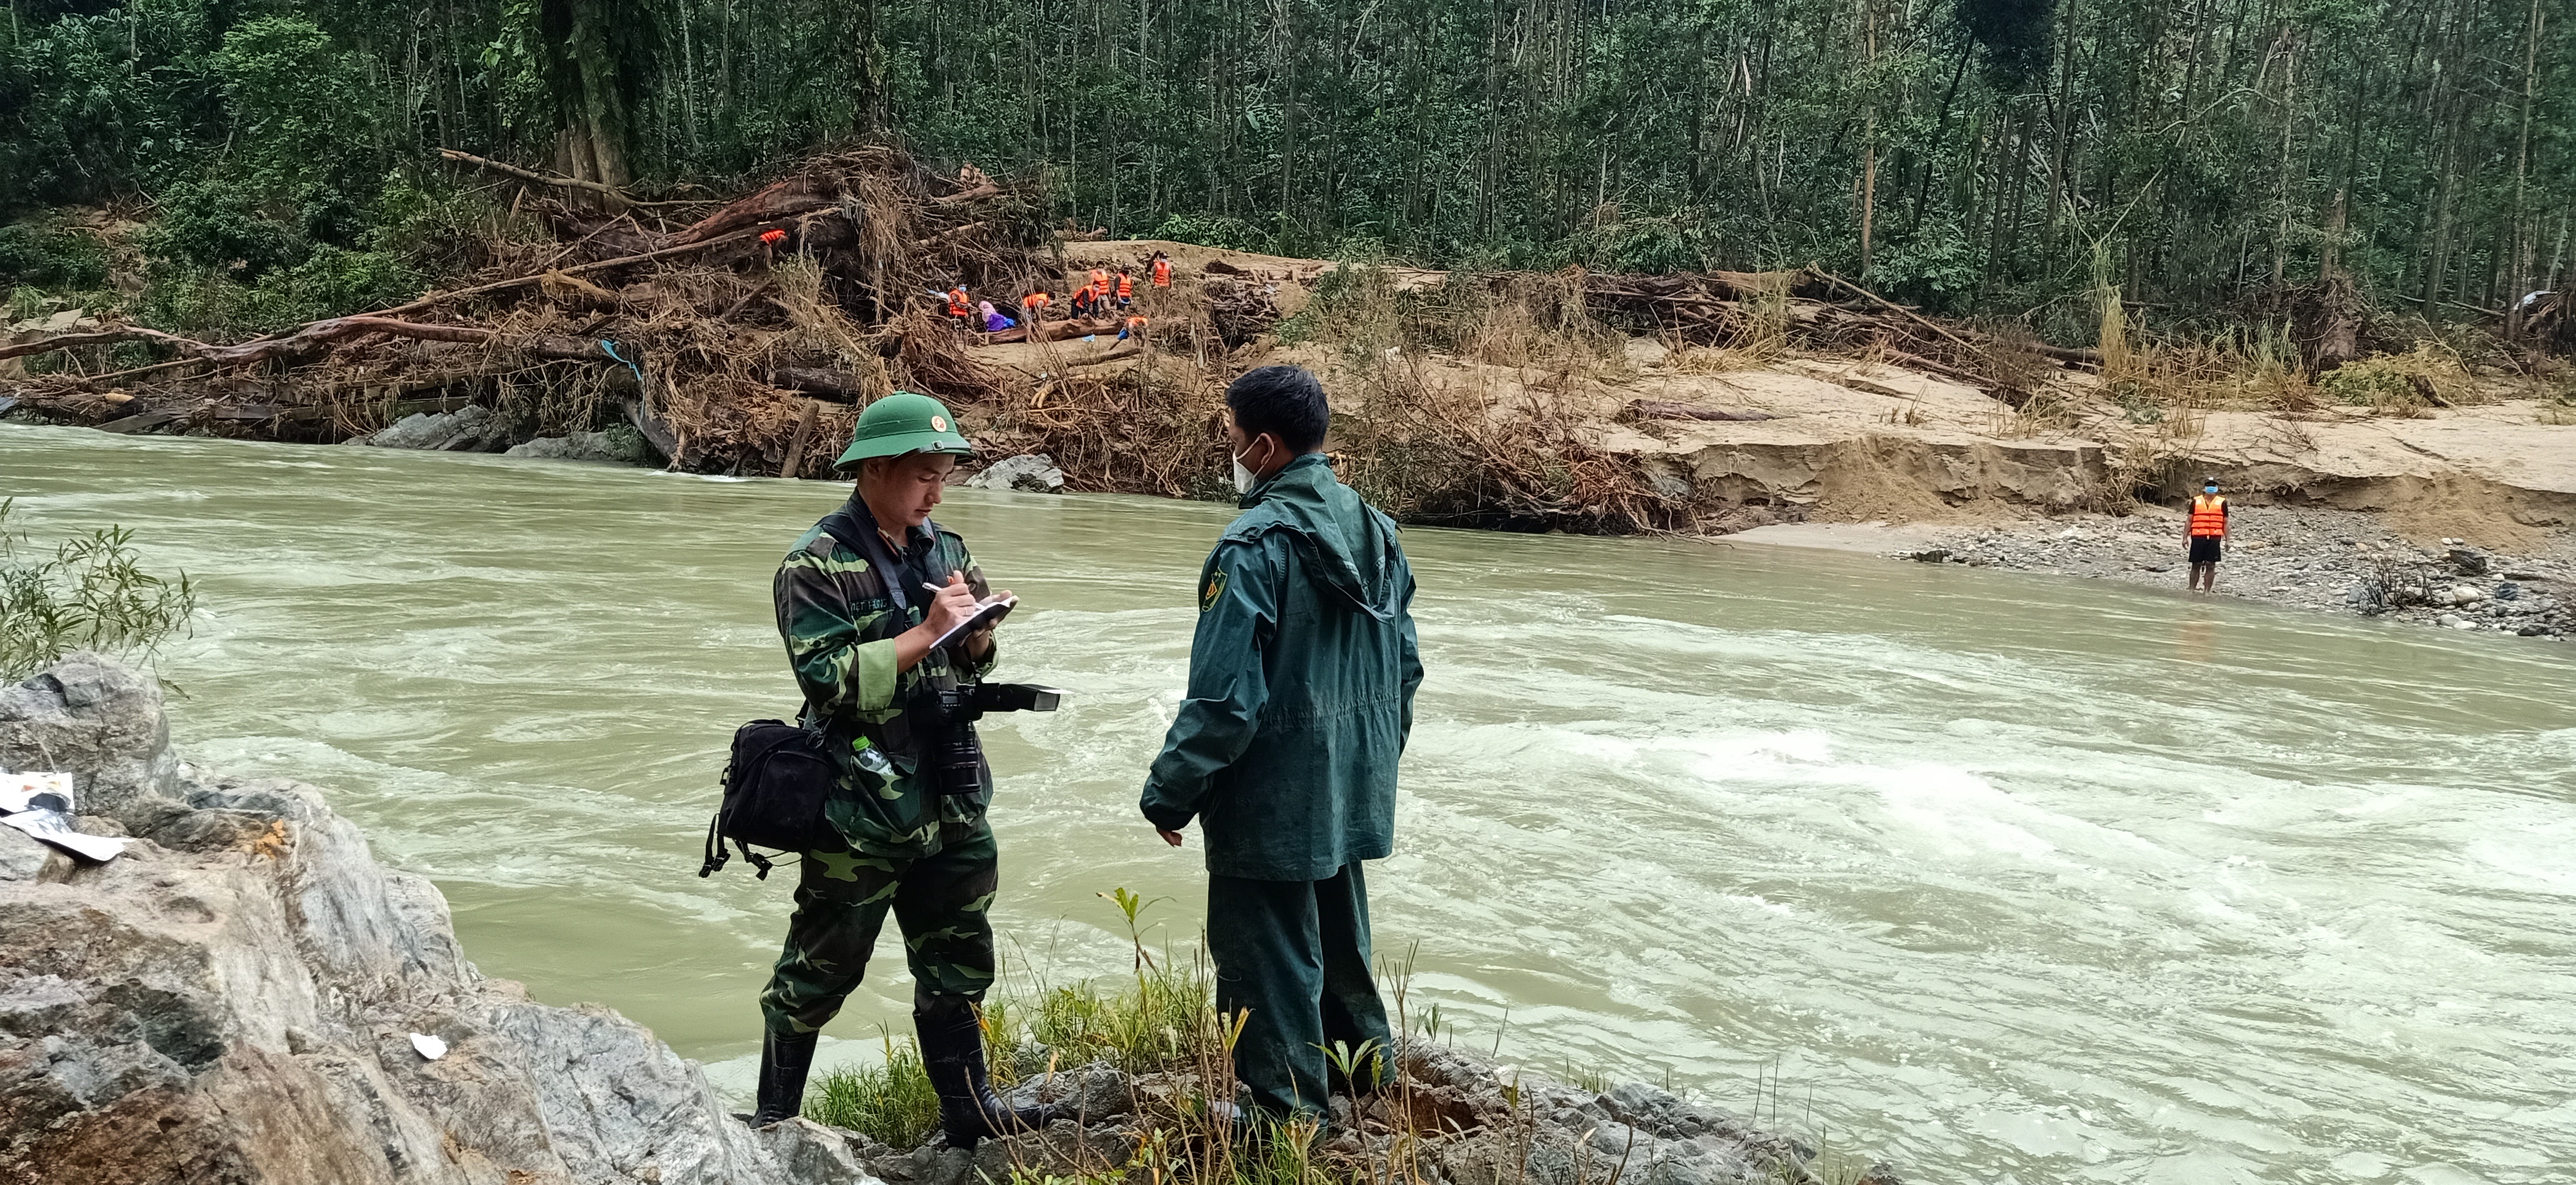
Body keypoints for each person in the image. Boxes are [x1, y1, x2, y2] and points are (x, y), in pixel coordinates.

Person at [752, 392, 1065, 1146]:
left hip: (951, 796)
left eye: (944, 476)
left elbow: (974, 653)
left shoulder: (946, 548)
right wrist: (928, 632)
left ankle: (970, 1110)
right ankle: (773, 1122)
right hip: (859, 807)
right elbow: (825, 680)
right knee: (821, 966)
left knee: (959, 955)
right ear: (876, 469)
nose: (935, 491)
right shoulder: (815, 563)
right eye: (923, 475)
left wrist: (977, 637)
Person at [1139, 365, 1423, 1124]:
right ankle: (1364, 1084)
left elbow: (1224, 702)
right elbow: (1406, 671)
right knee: (1338, 930)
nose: (1227, 450)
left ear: (1263, 447)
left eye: (1231, 437)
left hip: (1268, 793)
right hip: (1347, 779)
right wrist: (1367, 768)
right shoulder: (1376, 529)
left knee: (1265, 955)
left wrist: (1171, 791)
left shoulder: (1252, 544)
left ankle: (1287, 1119)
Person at [2186, 477, 2229, 592]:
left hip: (2214, 537)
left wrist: (2228, 540)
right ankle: (2191, 591)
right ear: (2205, 488)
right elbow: (2189, 520)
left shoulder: (2222, 503)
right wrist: (2185, 537)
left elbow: (2225, 522)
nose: (2211, 488)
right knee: (2196, 564)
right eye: (2208, 485)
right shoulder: (2196, 501)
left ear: (2216, 488)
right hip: (2198, 536)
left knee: (2211, 565)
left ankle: (2207, 592)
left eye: (2213, 485)